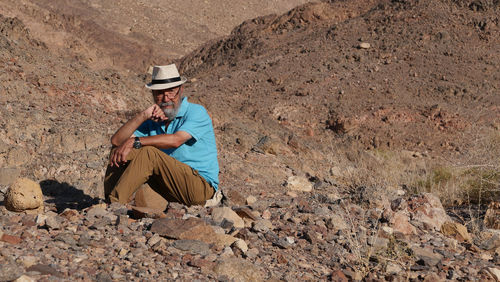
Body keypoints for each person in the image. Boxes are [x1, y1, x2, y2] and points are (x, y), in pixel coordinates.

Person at [104, 64, 220, 207]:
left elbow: (176, 140)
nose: (166, 98)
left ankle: (114, 204)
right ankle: (107, 203)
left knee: (149, 153)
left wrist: (136, 141)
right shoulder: (153, 121)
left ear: (181, 90)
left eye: (171, 92)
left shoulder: (196, 112)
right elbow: (116, 140)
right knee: (119, 151)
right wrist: (143, 115)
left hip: (201, 188)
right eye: (159, 93)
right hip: (171, 189)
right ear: (153, 95)